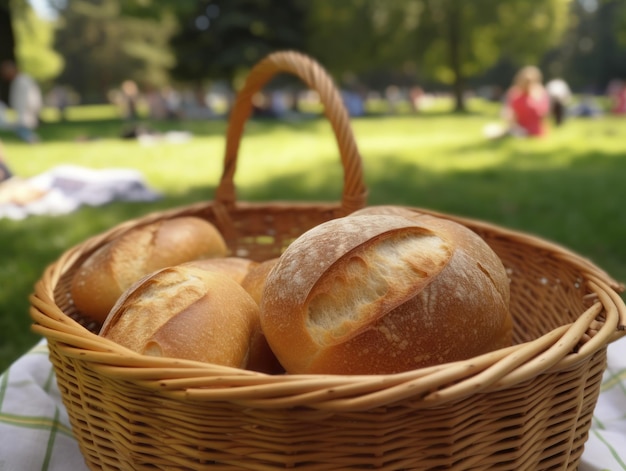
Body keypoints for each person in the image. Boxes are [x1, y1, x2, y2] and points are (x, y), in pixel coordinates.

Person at [0, 60, 43, 143]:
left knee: (24, 130)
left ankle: (34, 142)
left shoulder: (23, 80)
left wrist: (32, 109)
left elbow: (32, 97)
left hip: (26, 111)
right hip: (22, 112)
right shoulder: (18, 80)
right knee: (21, 130)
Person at [503, 66, 550, 137]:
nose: (527, 84)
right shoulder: (514, 94)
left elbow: (544, 116)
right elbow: (509, 114)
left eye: (529, 81)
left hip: (535, 131)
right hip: (518, 129)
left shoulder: (540, 94)